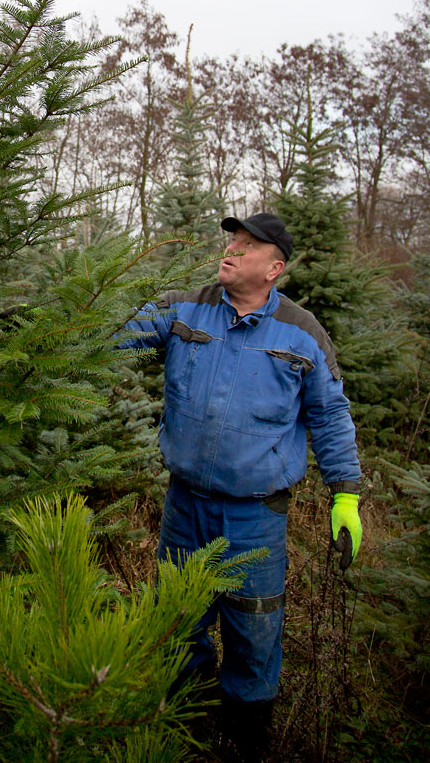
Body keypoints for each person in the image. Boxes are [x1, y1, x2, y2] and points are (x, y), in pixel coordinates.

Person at [120, 212, 362, 761]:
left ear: (274, 268)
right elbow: (117, 334)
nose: (231, 250)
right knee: (177, 623)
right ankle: (186, 729)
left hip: (256, 517)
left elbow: (329, 416)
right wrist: (52, 333)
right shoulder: (188, 306)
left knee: (253, 634)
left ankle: (245, 742)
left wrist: (345, 493)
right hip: (185, 508)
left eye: (248, 246)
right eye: (232, 240)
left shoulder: (302, 333)